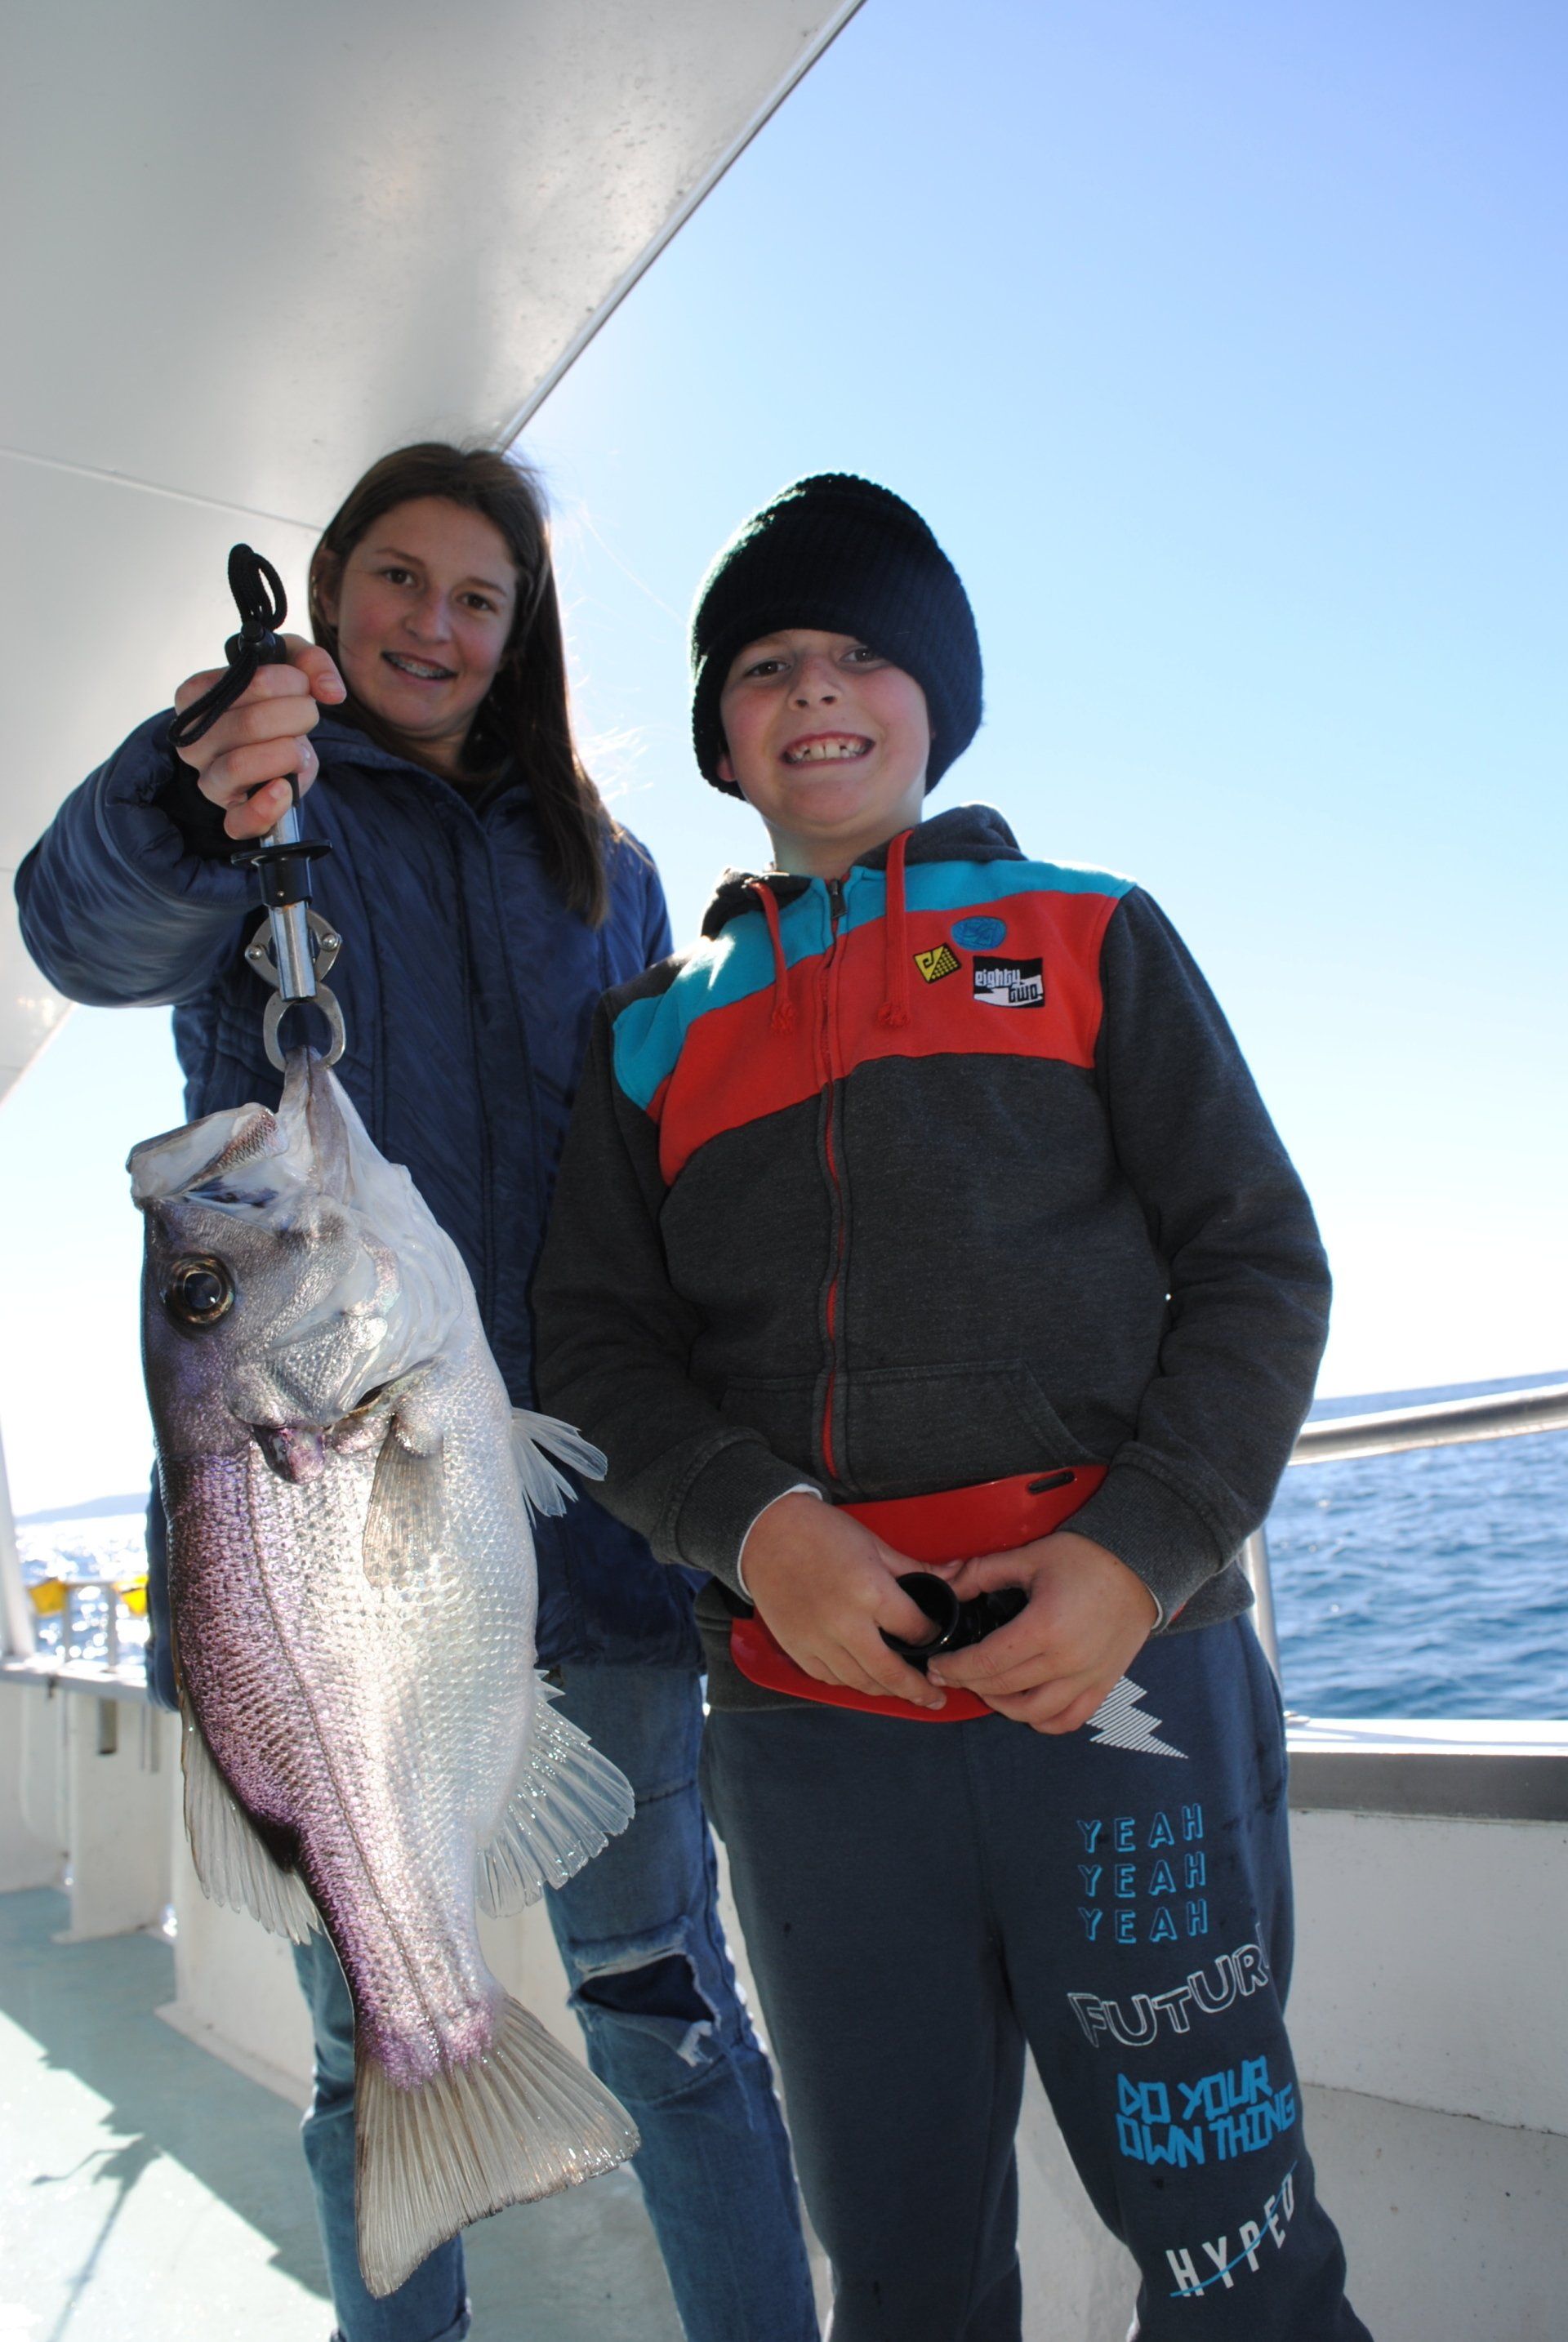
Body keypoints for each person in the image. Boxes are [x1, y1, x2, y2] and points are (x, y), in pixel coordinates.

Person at [532, 473, 1373, 2340]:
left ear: (938, 696)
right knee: (905, 2277)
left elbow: (1260, 1264)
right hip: (809, 1735)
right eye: (765, 663)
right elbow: (596, 1352)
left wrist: (1142, 1558)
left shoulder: (1093, 932)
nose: (816, 689)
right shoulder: (645, 1034)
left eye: (861, 652)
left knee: (1243, 2263)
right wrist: (761, 1536)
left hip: (1129, 1694)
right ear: (719, 730)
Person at [15, 443, 817, 2342]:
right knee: (357, 2046)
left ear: (522, 635)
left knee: (668, 2016)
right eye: (397, 578)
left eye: (480, 596)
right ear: (332, 592)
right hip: (307, 1587)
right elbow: (80, 930)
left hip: (596, 1545)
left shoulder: (603, 871)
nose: (434, 625)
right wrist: (179, 790)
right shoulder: (252, 805)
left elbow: (665, 1166)